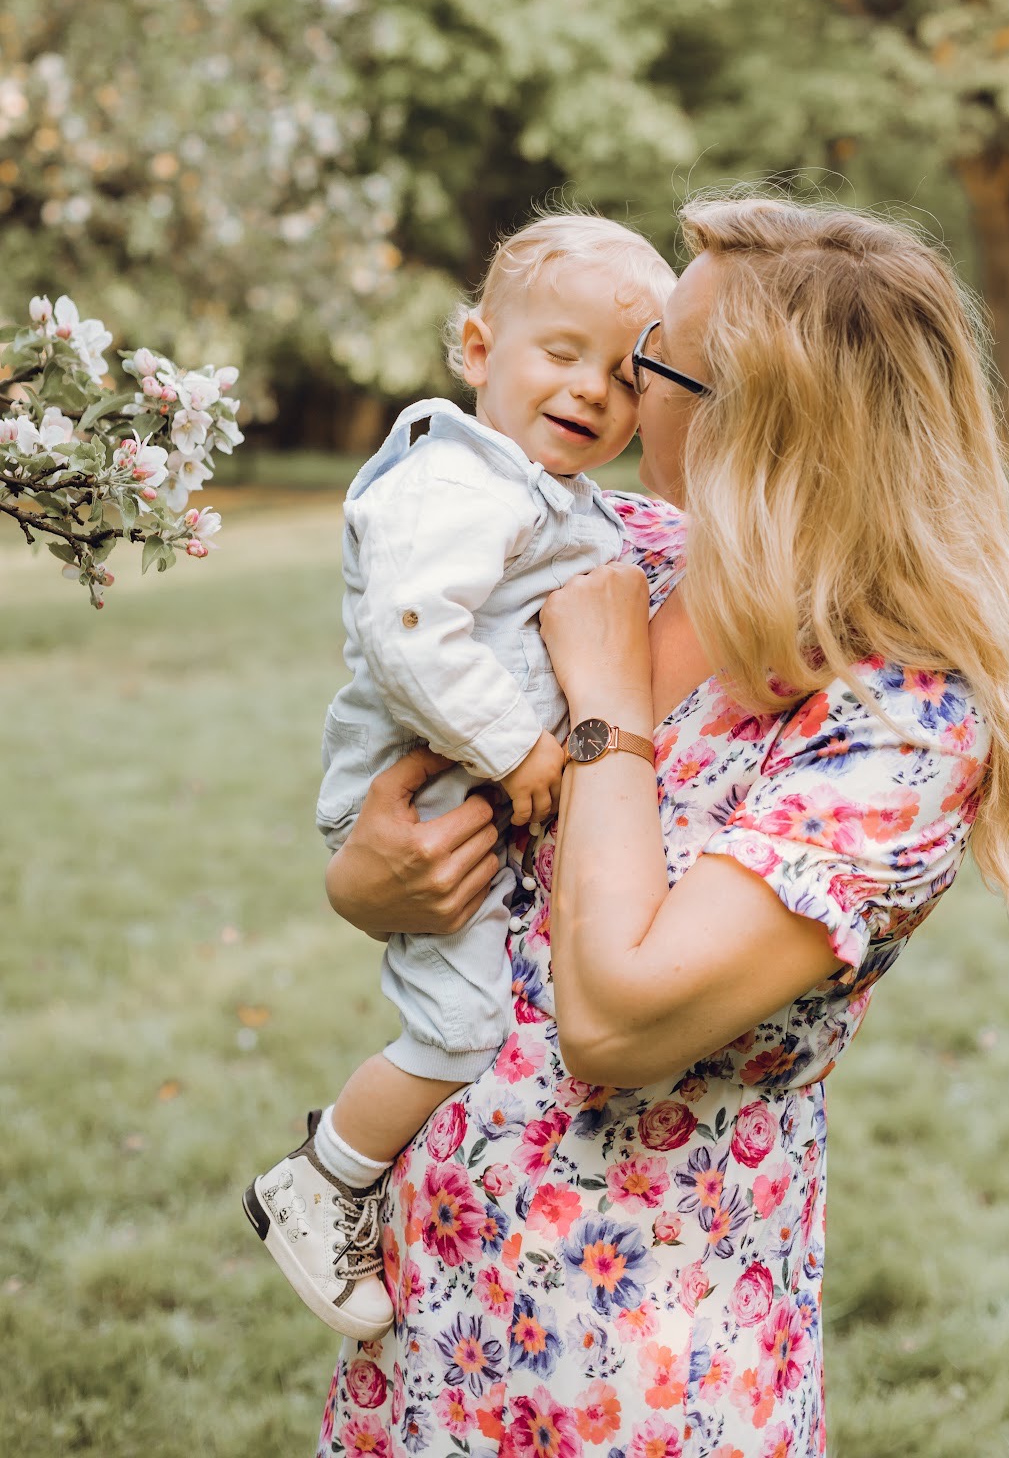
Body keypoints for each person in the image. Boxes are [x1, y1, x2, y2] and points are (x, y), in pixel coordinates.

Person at [315, 195, 1009, 1455]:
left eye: (652, 355)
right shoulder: (614, 550)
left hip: (642, 1351)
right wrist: (368, 882)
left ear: (752, 420)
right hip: (435, 1287)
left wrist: (607, 712)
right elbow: (412, 786)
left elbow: (614, 1020)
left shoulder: (900, 723)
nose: (616, 386)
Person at [243, 213, 675, 1341]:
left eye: (627, 375)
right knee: (458, 1024)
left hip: (467, 789)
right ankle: (326, 1173)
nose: (593, 389)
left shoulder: (544, 492)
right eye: (562, 351)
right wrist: (525, 752)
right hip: (425, 791)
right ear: (478, 349)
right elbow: (410, 632)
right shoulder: (452, 481)